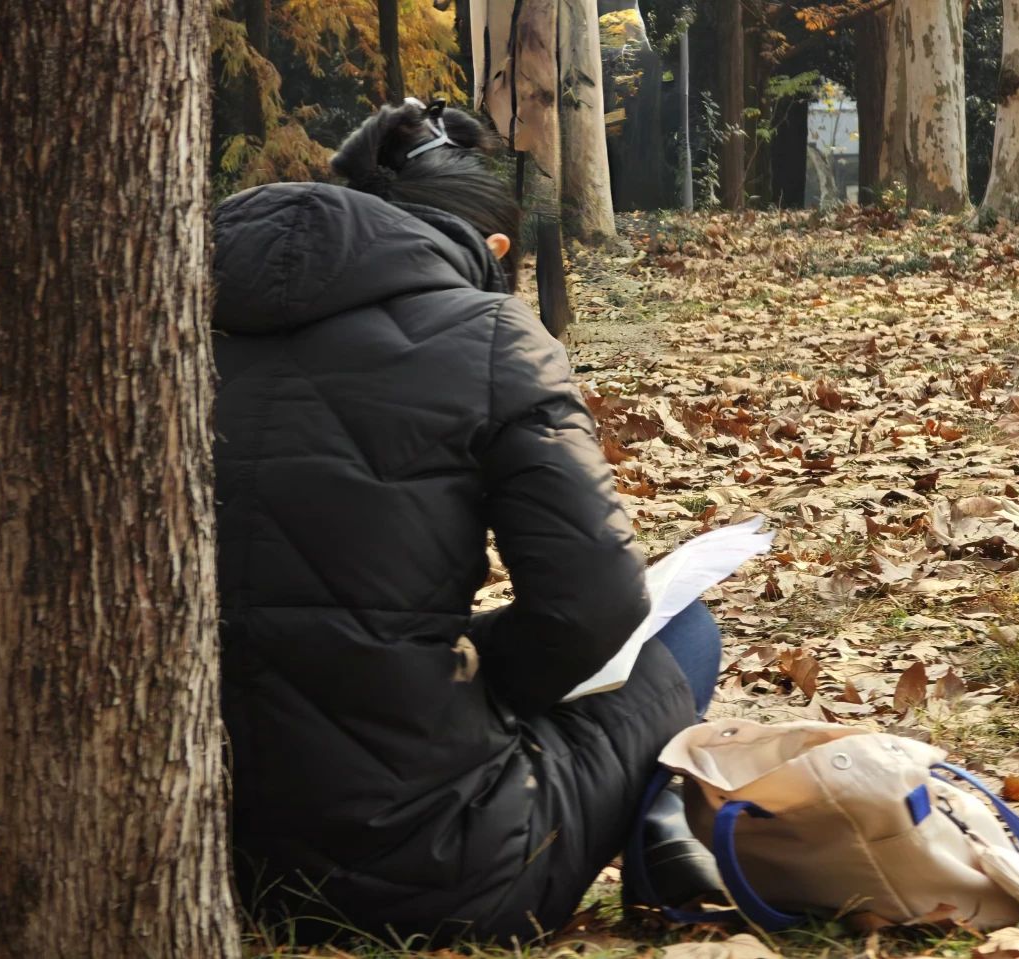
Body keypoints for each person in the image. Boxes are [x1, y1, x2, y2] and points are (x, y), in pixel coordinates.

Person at [211, 98, 723, 946]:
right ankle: (662, 849)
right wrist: (490, 685)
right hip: (445, 869)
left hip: (213, 845)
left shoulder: (180, 325)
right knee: (686, 629)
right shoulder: (491, 334)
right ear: (494, 251)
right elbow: (593, 609)